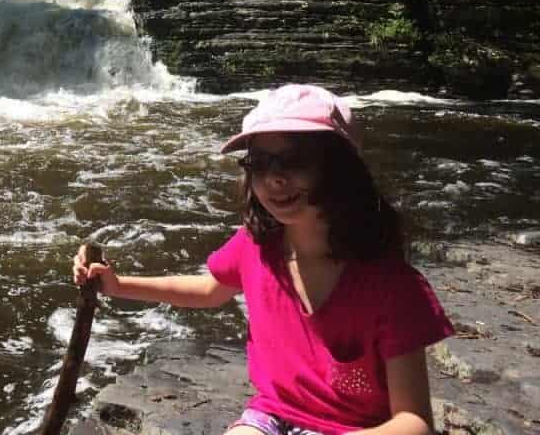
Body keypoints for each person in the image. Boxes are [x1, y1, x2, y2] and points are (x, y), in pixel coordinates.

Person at [72, 84, 454, 435]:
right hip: (273, 415)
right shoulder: (255, 246)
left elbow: (414, 421)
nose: (275, 178)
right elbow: (208, 289)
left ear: (342, 169)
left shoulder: (392, 287)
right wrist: (119, 286)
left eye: (295, 160)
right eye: (260, 163)